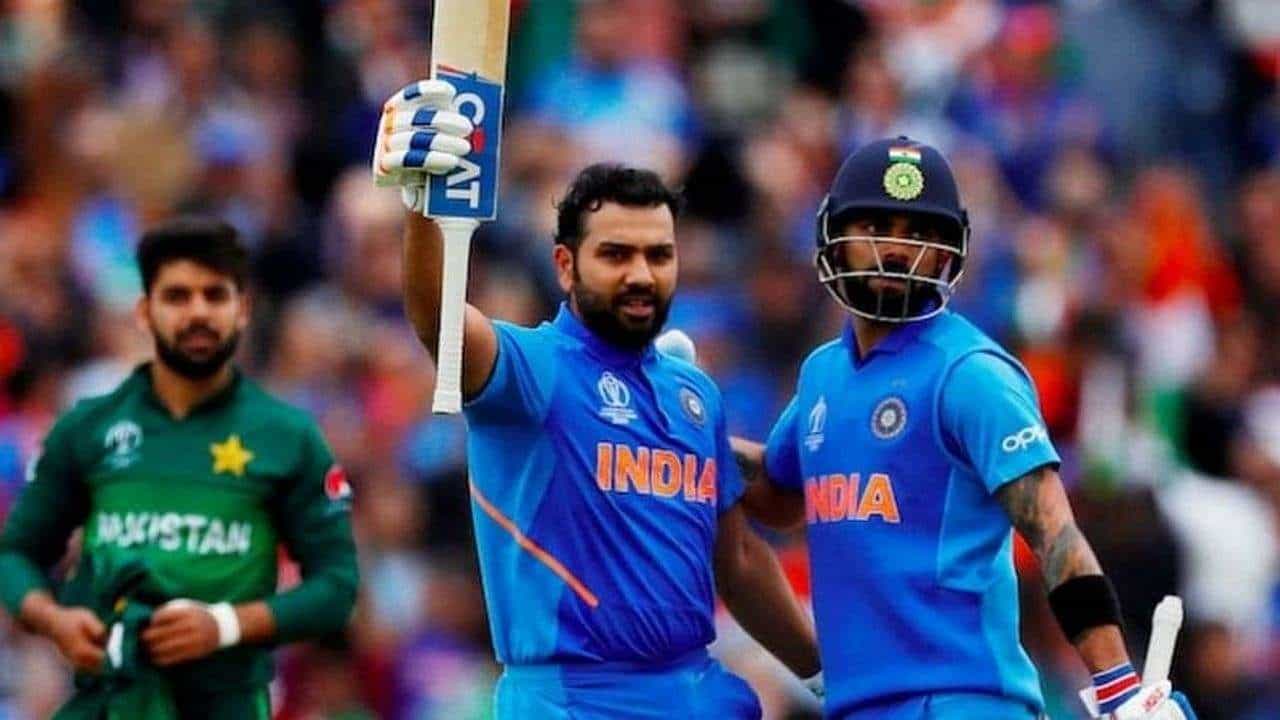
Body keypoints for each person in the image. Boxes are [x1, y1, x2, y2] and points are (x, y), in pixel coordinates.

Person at [374, 79, 819, 720]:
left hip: (694, 692)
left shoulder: (693, 393)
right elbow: (436, 316)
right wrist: (422, 203)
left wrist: (826, 676)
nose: (641, 273)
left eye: (658, 255)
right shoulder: (534, 369)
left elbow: (741, 561)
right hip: (570, 699)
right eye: (615, 254)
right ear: (565, 265)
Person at [733, 137, 1198, 720]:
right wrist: (684, 435)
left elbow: (1056, 536)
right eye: (876, 227)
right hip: (858, 707)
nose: (896, 249)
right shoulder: (823, 373)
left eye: (919, 233)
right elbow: (779, 499)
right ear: (833, 236)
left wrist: (1119, 688)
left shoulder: (970, 373)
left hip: (962, 701)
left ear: (948, 252)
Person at [0, 218, 359, 718]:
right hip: (113, 702)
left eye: (215, 295)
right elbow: (15, 554)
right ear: (144, 311)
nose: (198, 312)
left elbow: (337, 585)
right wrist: (55, 620)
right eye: (177, 296)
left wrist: (225, 625)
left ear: (243, 310)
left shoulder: (287, 437)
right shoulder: (89, 429)